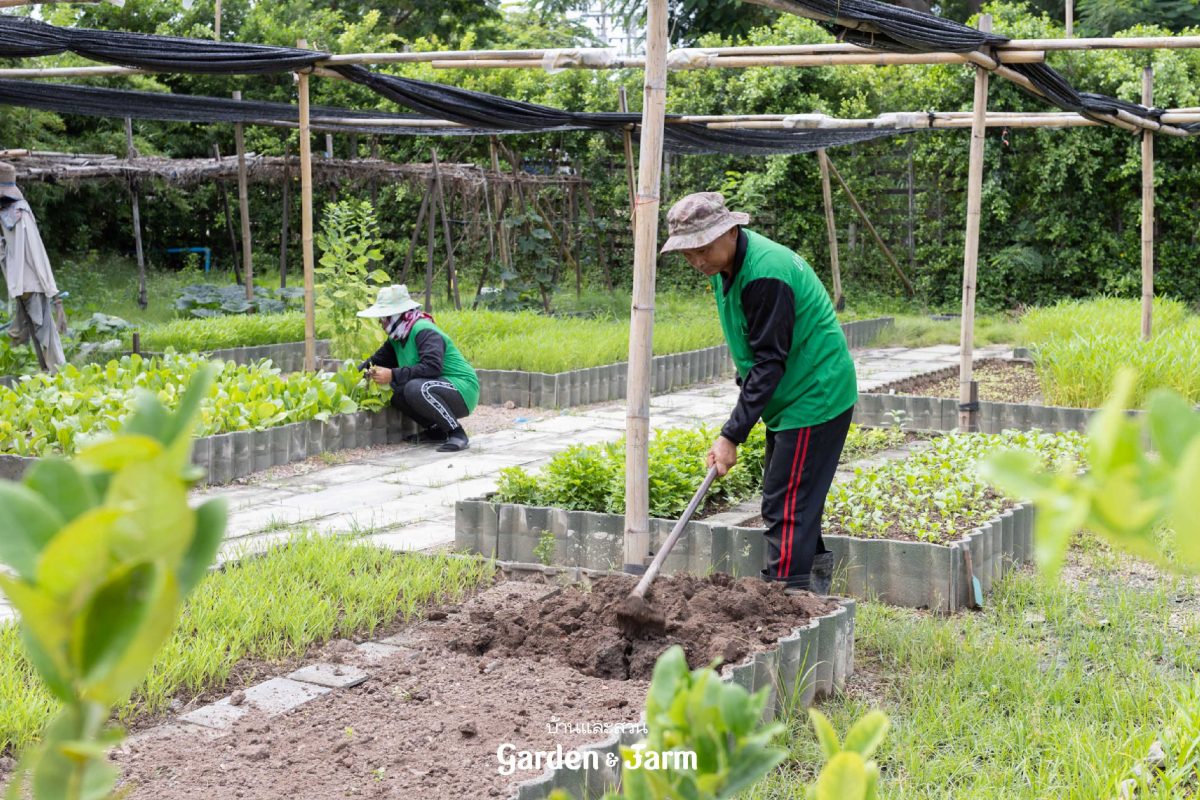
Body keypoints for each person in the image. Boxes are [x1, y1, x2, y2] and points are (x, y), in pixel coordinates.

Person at [660, 192, 857, 594]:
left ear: (732, 231)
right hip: (793, 395)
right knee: (795, 500)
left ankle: (786, 599)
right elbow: (754, 347)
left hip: (813, 395)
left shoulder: (766, 273)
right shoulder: (728, 266)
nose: (697, 261)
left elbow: (770, 362)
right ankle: (810, 595)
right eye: (687, 254)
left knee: (785, 505)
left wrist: (731, 434)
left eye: (703, 249)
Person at [357, 284, 478, 453]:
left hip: (462, 388)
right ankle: (436, 430)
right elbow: (374, 362)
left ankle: (457, 433)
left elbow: (432, 367)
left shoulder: (424, 330)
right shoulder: (397, 338)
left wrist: (392, 374)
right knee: (396, 391)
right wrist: (350, 377)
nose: (381, 323)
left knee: (414, 388)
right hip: (436, 388)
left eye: (383, 318)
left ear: (396, 316)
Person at [0, 161, 65, 374]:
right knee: (44, 332)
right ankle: (55, 372)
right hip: (31, 282)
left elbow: (27, 252)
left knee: (40, 331)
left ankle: (54, 372)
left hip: (23, 283)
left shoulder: (10, 214)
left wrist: (51, 290)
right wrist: (51, 289)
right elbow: (37, 252)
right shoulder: (18, 212)